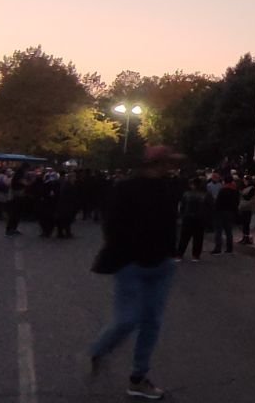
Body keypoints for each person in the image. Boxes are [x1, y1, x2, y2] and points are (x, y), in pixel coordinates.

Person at [88, 146, 180, 401]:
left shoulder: (168, 187)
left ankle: (138, 378)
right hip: (131, 263)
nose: (170, 167)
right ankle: (98, 350)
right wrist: (124, 252)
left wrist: (171, 253)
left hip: (161, 264)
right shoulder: (125, 188)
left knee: (152, 323)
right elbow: (111, 225)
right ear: (154, 163)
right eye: (166, 162)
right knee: (127, 319)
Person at [176, 178, 209, 261]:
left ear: (192, 185)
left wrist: (182, 215)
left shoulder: (186, 194)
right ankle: (196, 255)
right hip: (200, 218)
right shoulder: (205, 194)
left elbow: (182, 206)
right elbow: (209, 207)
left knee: (184, 237)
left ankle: (179, 254)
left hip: (188, 217)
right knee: (198, 238)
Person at [211, 174, 239, 255]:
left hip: (220, 211)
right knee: (228, 231)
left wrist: (215, 210)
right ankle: (229, 248)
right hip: (230, 212)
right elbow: (237, 202)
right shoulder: (235, 190)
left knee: (218, 231)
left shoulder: (223, 190)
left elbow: (218, 202)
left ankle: (218, 248)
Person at [238, 174, 255, 245]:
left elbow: (248, 197)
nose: (244, 182)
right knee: (245, 223)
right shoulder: (248, 187)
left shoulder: (252, 188)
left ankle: (247, 237)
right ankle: (245, 237)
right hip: (247, 207)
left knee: (247, 223)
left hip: (249, 207)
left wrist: (242, 194)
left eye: (245, 180)